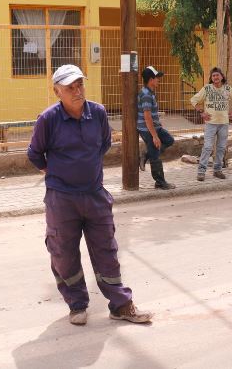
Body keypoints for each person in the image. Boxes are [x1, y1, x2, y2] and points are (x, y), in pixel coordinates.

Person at [27, 64, 153, 326]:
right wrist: (58, 172)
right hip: (62, 199)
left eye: (80, 85)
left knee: (106, 250)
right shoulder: (48, 119)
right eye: (70, 87)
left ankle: (120, 305)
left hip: (95, 194)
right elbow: (35, 154)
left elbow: (104, 143)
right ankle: (77, 304)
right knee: (64, 252)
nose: (77, 91)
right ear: (57, 91)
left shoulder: (97, 113)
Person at [190, 67, 232, 181]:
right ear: (211, 78)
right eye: (213, 76)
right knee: (207, 147)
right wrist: (201, 112)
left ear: (222, 77)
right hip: (210, 124)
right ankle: (201, 171)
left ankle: (217, 170)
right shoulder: (207, 89)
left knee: (221, 147)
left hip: (224, 124)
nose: (215, 77)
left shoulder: (227, 89)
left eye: (217, 75)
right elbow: (193, 100)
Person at [137, 65, 176, 189]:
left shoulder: (150, 92)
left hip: (154, 127)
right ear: (151, 79)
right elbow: (147, 117)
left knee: (169, 140)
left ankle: (146, 155)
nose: (159, 80)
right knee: (156, 155)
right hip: (147, 129)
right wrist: (154, 136)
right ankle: (160, 182)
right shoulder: (146, 95)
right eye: (157, 78)